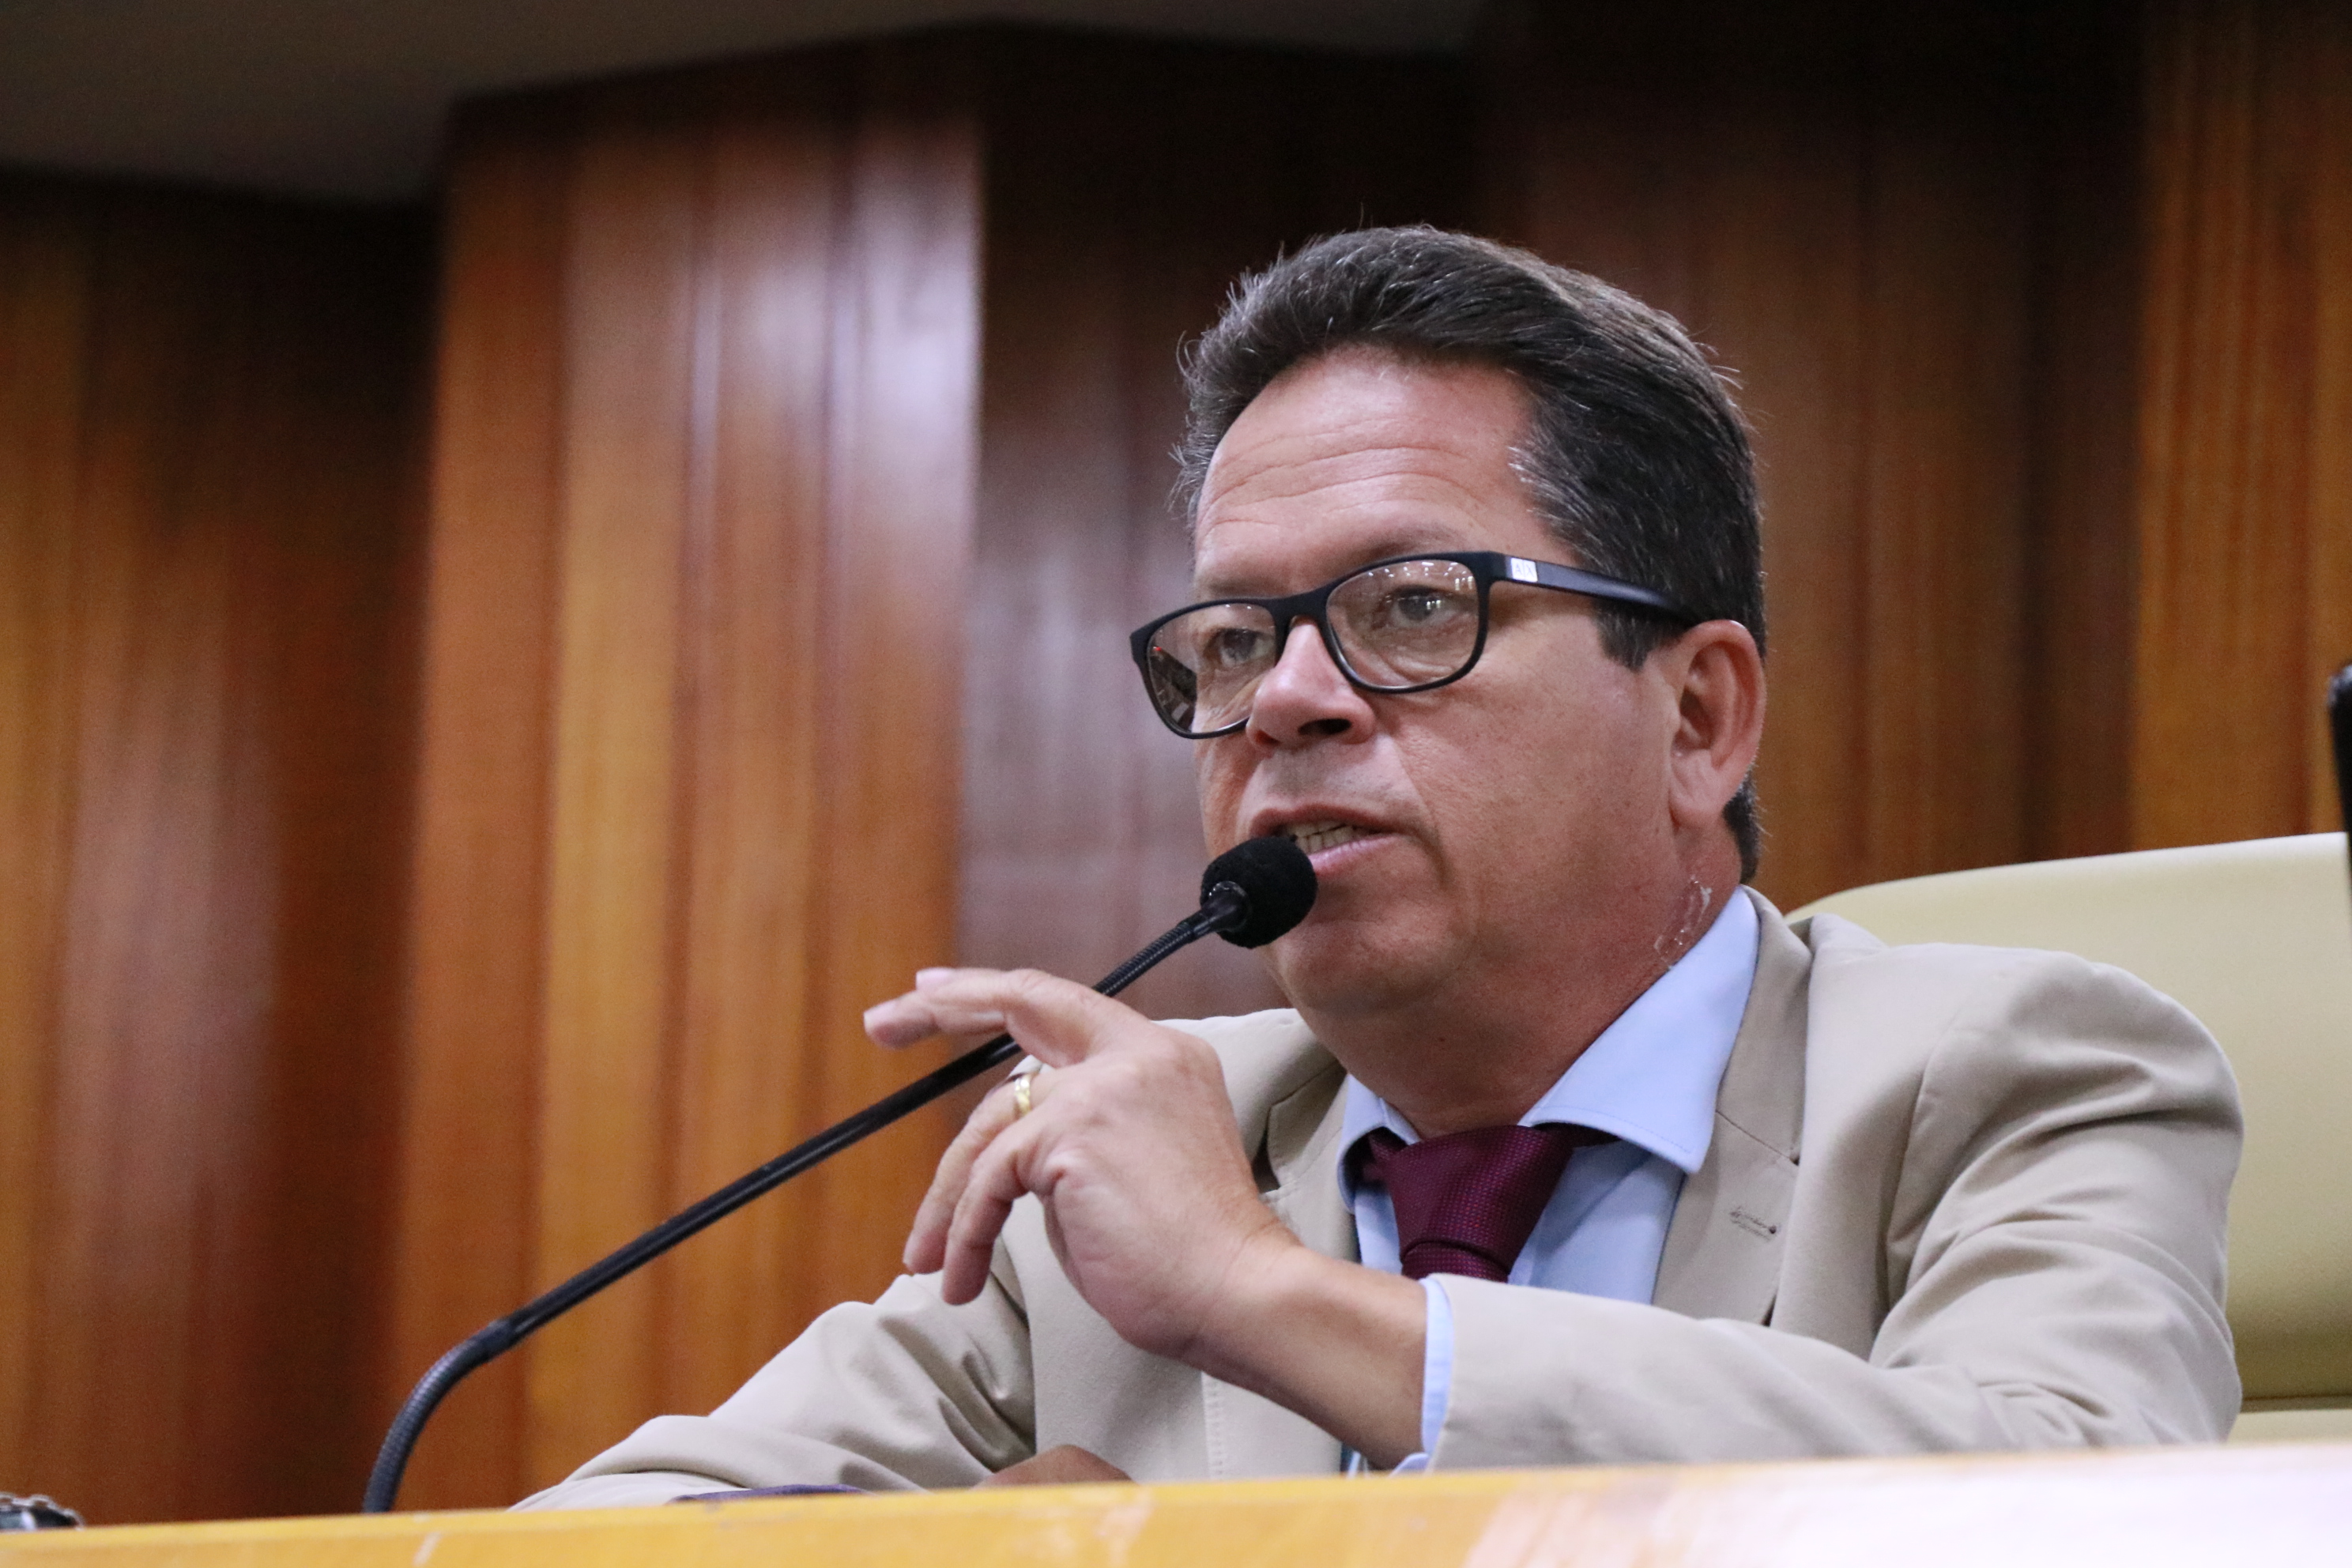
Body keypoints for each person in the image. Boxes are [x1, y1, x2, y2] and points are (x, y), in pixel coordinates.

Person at [519, 228, 2239, 1504]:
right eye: (1230, 637)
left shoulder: (2014, 1076)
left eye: (1414, 606)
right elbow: (600, 1538)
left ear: (1700, 717)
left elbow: (2097, 1505)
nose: (1283, 698)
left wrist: (1261, 1294)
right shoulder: (1162, 1141)